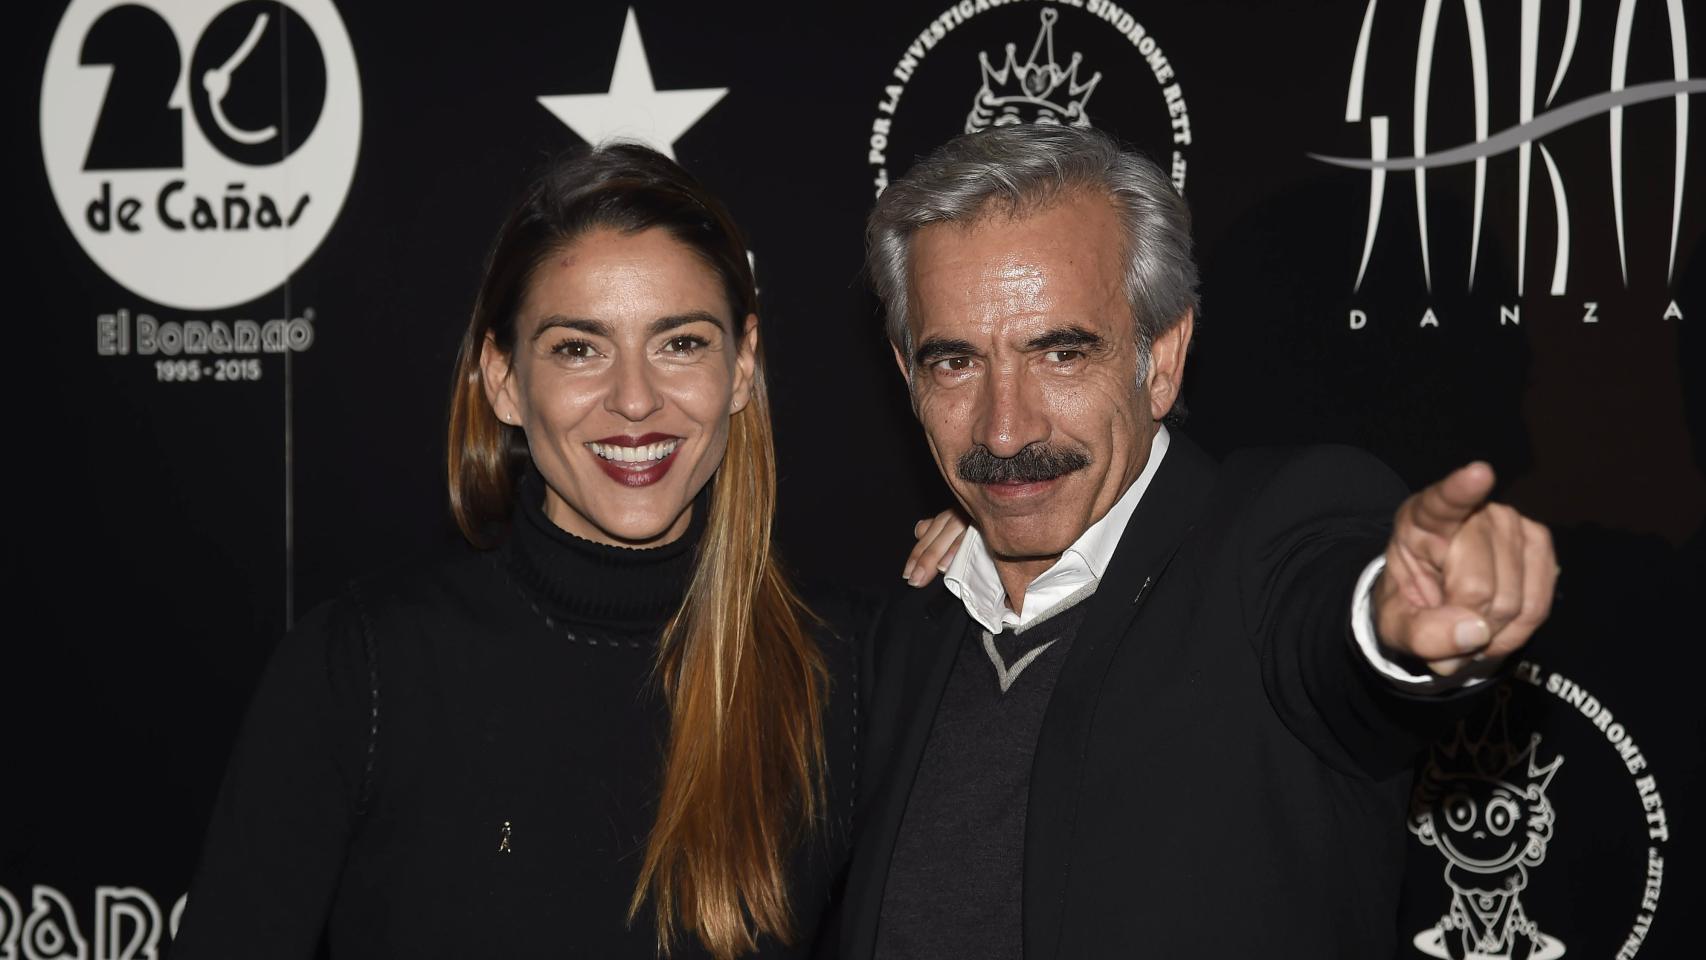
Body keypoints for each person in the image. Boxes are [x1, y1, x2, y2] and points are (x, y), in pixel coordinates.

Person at [171, 143, 961, 959]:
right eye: (578, 348)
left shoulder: (851, 672)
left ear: (742, 366)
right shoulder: (359, 674)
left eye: (680, 342)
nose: (633, 399)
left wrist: (1011, 574)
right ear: (505, 379)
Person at [837, 124, 1559, 958]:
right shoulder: (896, 636)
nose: (1005, 431)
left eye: (1061, 353)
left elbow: (1332, 622)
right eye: (956, 364)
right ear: (907, 375)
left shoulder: (1268, 537)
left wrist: (1390, 625)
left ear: (1163, 358)